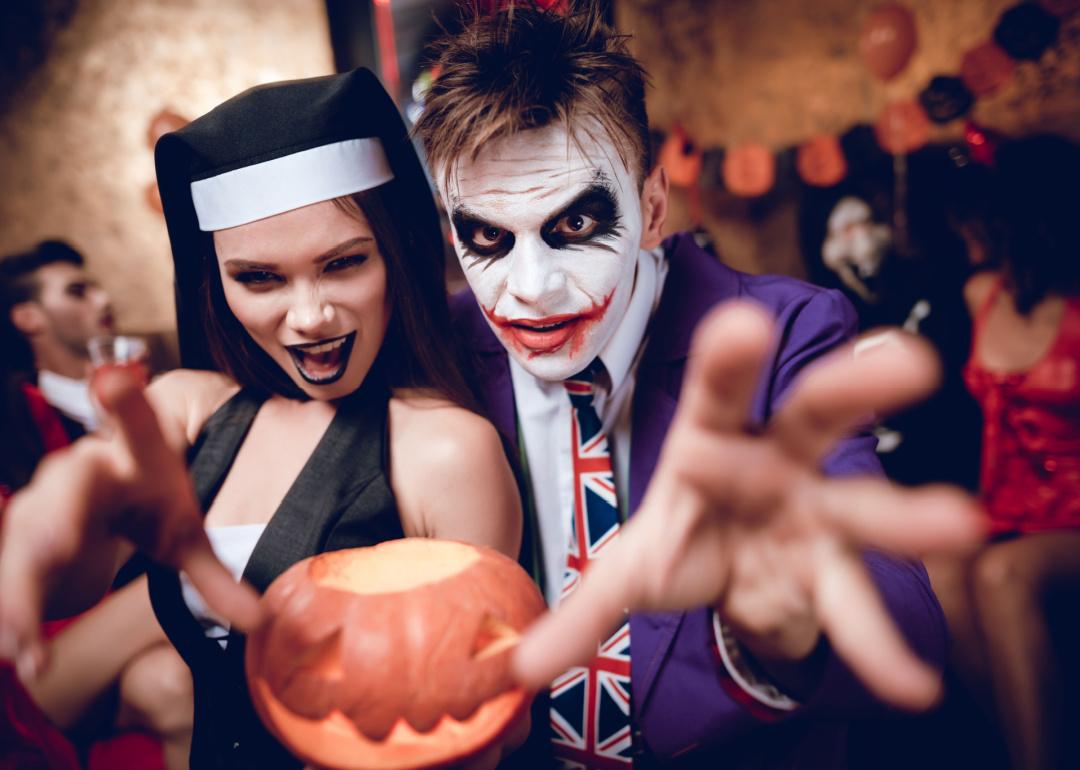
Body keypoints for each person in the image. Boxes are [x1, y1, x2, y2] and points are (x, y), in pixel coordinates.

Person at [415, 4, 982, 767]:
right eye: (485, 236)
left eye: (575, 226)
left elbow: (905, 632)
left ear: (651, 207)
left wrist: (785, 620)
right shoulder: (439, 349)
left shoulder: (784, 332)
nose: (531, 288)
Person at [0, 68, 522, 770]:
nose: (309, 317)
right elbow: (75, 585)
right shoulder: (188, 408)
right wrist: (48, 523)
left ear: (394, 255)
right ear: (215, 282)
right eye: (260, 278)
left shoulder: (446, 451)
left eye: (343, 264)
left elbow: (493, 719)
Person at [928, 135, 1080, 770]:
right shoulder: (980, 294)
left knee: (1000, 575)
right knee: (930, 560)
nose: (962, 229)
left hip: (1071, 521)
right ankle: (1030, 748)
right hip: (1008, 507)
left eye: (976, 216)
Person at [0, 305, 192, 770]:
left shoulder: (24, 409)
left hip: (72, 633)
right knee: (178, 584)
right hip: (22, 666)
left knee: (166, 683)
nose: (102, 302)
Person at [0, 241, 115, 438]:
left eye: (96, 288)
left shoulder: (142, 378)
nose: (104, 299)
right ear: (28, 318)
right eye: (77, 291)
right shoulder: (21, 421)